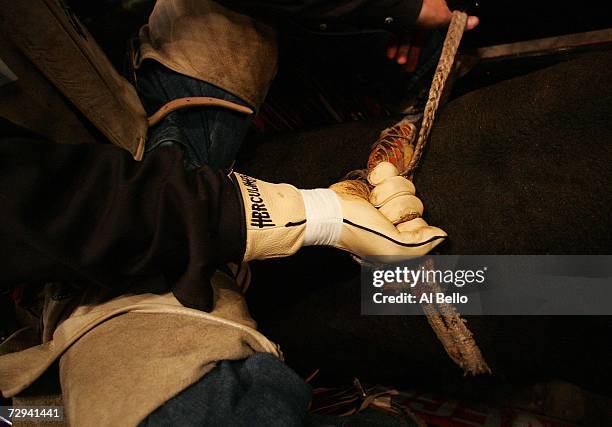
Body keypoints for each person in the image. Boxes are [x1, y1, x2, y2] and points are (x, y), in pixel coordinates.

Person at [0, 0, 476, 424]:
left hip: (121, 146)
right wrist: (319, 213)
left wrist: (393, 12)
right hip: (53, 285)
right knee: (173, 411)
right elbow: (39, 206)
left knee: (219, 23)